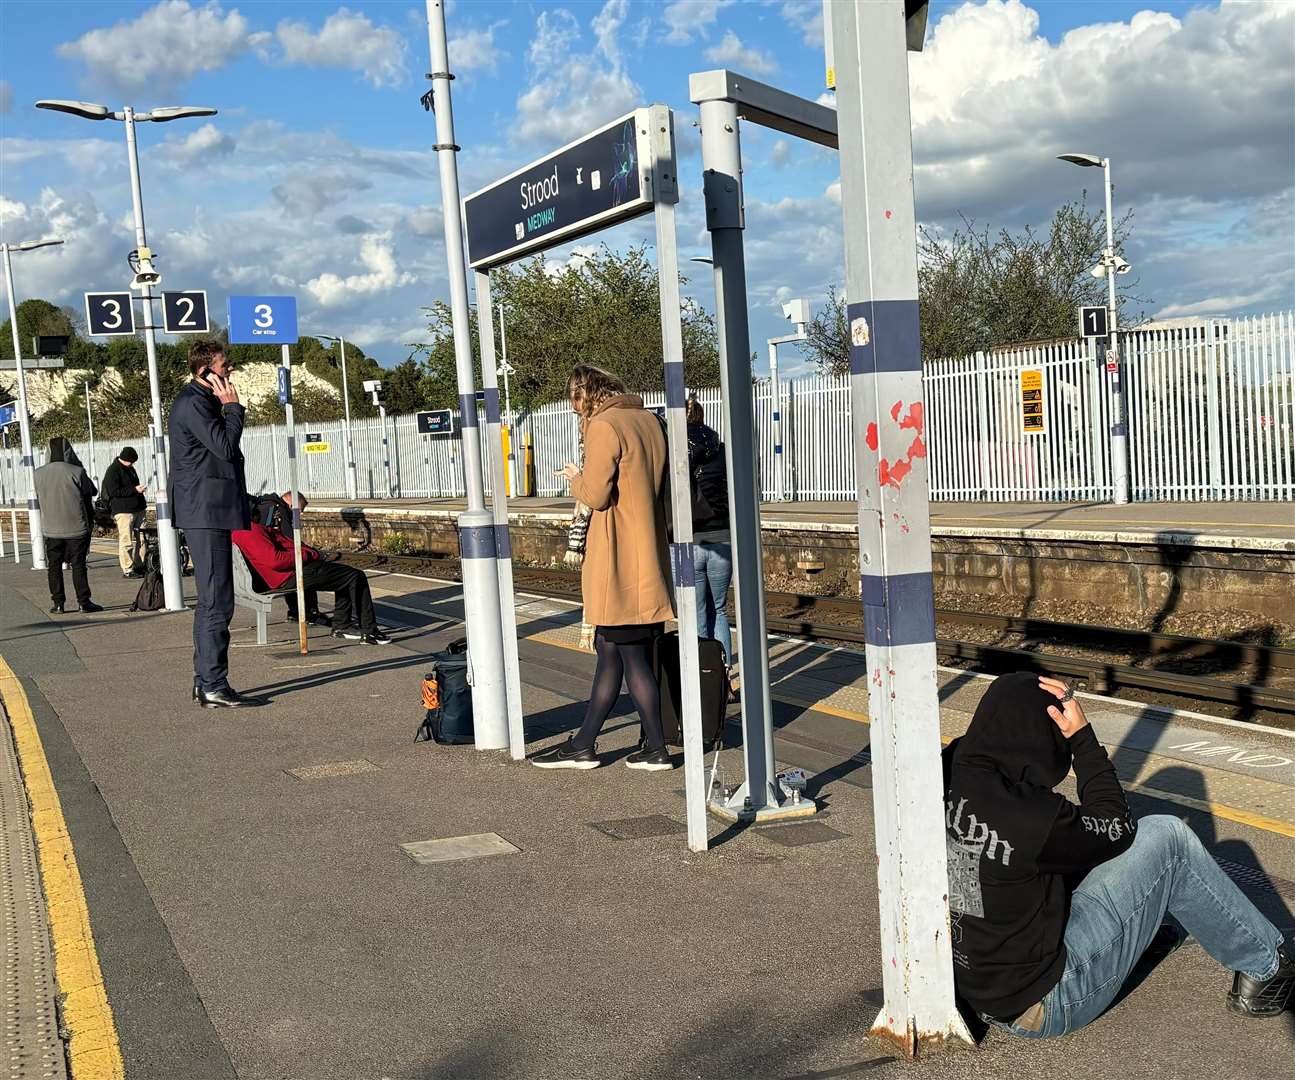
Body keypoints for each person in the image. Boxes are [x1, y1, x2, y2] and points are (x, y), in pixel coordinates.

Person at [944, 671, 1294, 1038]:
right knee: (1167, 838)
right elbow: (1117, 824)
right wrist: (1081, 737)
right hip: (1047, 1002)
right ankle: (1266, 967)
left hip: (974, 984)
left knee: (1069, 851)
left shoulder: (950, 770)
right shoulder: (1032, 816)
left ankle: (1140, 935)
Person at [533, 365, 675, 772]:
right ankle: (584, 744)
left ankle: (656, 750)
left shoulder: (604, 425)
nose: (575, 411)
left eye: (575, 401)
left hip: (619, 559)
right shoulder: (648, 421)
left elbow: (596, 495)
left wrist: (575, 478)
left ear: (585, 394)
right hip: (647, 552)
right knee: (611, 652)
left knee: (630, 657)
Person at [168, 340, 254, 708]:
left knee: (213, 600)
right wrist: (233, 408)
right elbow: (225, 447)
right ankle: (212, 684)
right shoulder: (195, 403)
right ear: (205, 371)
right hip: (205, 511)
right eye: (225, 365)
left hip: (208, 508)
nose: (230, 370)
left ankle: (207, 680)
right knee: (217, 600)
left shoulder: (198, 401)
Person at [232, 507, 390, 645]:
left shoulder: (236, 532)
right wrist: (309, 554)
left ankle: (342, 626)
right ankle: (369, 631)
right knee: (355, 576)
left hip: (283, 575)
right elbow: (275, 561)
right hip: (289, 575)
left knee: (345, 575)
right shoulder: (250, 530)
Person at [686, 399, 733, 674]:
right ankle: (724, 675)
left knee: (696, 612)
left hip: (688, 543)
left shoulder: (677, 451)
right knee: (720, 609)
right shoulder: (722, 451)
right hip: (723, 539)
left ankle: (703, 676)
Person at [32, 437, 103, 614]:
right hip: (76, 528)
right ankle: (83, 602)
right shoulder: (77, 471)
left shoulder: (37, 474)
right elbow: (90, 494)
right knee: (78, 565)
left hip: (51, 529)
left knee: (54, 566)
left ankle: (58, 603)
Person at [101, 446, 147, 578]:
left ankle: (140, 564)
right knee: (126, 540)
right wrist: (134, 490)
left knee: (142, 539)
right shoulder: (113, 471)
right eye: (132, 461)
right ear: (126, 459)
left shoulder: (130, 469)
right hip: (123, 510)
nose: (133, 464)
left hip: (138, 507)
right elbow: (114, 491)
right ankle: (128, 568)